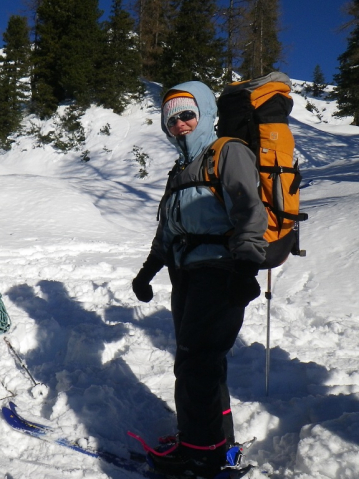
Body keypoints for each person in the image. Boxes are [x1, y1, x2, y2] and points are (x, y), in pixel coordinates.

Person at [132, 82, 267, 477]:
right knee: (199, 363)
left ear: (205, 114)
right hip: (186, 275)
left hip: (222, 272)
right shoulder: (180, 171)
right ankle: (208, 442)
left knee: (197, 363)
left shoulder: (228, 152)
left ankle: (203, 457)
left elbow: (249, 209)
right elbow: (169, 231)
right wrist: (147, 271)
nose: (180, 124)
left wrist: (246, 264)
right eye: (171, 119)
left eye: (187, 114)